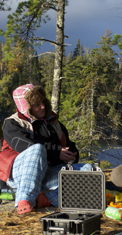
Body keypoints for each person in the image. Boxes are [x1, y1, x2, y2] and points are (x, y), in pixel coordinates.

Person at [0, 84, 92, 215]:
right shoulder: (13, 123)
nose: (42, 106)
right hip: (20, 174)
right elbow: (25, 146)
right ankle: (24, 201)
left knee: (88, 170)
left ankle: (45, 199)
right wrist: (56, 153)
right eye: (37, 104)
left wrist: (71, 155)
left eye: (43, 102)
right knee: (36, 149)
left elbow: (70, 145)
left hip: (47, 174)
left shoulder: (52, 122)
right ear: (26, 107)